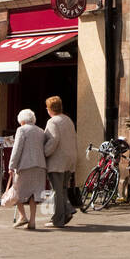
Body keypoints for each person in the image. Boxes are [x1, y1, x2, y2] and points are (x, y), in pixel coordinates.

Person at [6, 110, 50, 231]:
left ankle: (22, 216)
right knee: (34, 195)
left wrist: (11, 165)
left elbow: (17, 149)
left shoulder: (22, 130)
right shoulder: (41, 131)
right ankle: (32, 221)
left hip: (25, 166)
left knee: (17, 192)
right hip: (40, 166)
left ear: (22, 120)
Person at [44, 95, 78, 229]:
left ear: (50, 109)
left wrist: (44, 153)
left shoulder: (53, 122)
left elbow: (53, 140)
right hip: (69, 159)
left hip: (57, 161)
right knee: (63, 189)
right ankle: (67, 211)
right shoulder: (68, 119)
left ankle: (58, 219)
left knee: (56, 190)